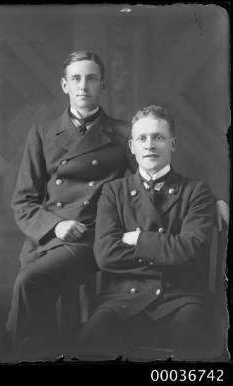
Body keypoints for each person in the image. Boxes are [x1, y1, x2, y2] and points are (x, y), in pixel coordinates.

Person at [6, 50, 229, 359]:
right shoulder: (42, 133)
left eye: (92, 79)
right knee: (30, 286)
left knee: (31, 281)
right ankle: (33, 355)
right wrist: (55, 226)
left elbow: (153, 171)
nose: (84, 86)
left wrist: (214, 199)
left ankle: (38, 353)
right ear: (64, 85)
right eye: (76, 79)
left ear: (103, 85)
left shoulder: (125, 133)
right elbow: (23, 200)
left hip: (91, 234)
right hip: (48, 236)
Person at [79, 105, 219, 359]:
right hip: (123, 298)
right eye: (142, 138)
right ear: (132, 146)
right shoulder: (113, 192)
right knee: (90, 343)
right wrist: (167, 251)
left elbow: (192, 252)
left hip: (180, 297)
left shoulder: (196, 192)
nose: (150, 145)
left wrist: (137, 239)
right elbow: (106, 255)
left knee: (196, 346)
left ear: (172, 144)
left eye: (158, 137)